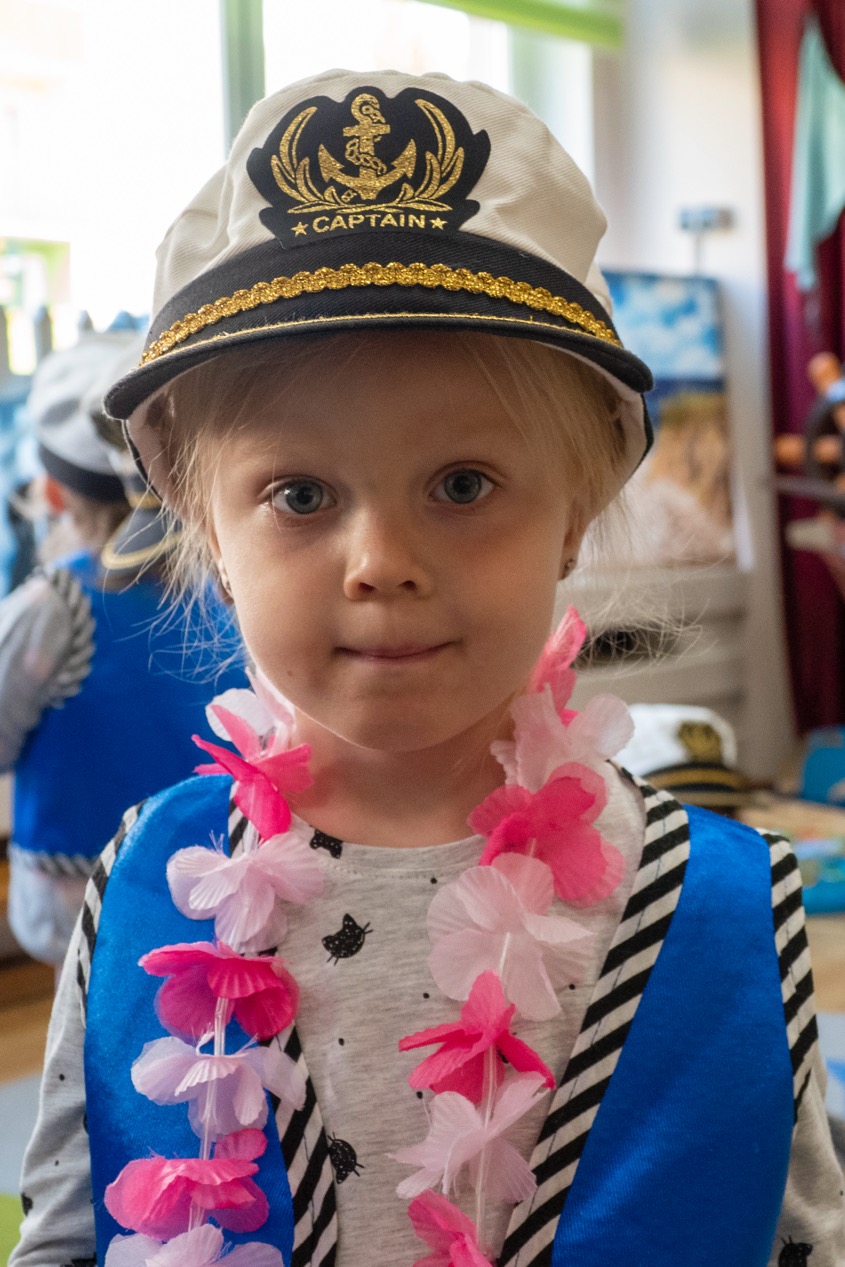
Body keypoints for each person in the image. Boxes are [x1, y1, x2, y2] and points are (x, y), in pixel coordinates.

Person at [10, 70, 844, 1267]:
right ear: (209, 531)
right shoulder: (148, 883)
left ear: (573, 513)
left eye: (461, 484)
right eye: (299, 495)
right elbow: (65, 1232)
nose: (381, 563)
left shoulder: (718, 906)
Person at [1, 333, 246, 975]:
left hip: (72, 890)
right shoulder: (225, 588)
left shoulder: (53, 607)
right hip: (205, 875)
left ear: (54, 495)